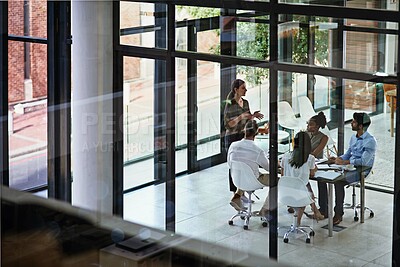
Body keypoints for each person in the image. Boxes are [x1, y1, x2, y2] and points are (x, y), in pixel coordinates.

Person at [318, 112, 377, 225]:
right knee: (321, 177)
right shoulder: (353, 138)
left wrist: (345, 162)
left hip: (362, 170)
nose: (351, 123)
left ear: (360, 126)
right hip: (349, 166)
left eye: (354, 121)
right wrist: (337, 159)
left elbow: (364, 162)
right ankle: (323, 210)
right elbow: (348, 154)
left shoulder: (370, 141)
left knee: (338, 182)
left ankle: (338, 214)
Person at [224, 79, 264, 202]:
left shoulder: (245, 102)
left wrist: (253, 116)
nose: (246, 90)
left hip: (243, 136)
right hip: (232, 137)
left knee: (245, 164)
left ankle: (242, 193)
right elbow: (228, 124)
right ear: (236, 90)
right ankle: (236, 194)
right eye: (243, 88)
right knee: (235, 166)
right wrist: (241, 116)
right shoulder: (230, 104)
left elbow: (247, 120)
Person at [280, 131, 325, 225]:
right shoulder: (310, 158)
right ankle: (298, 221)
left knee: (306, 188)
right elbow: (312, 173)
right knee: (306, 189)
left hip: (286, 191)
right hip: (300, 193)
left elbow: (282, 174)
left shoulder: (286, 156)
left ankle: (316, 212)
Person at [227, 120, 270, 213]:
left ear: (244, 131)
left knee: (244, 172)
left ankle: (237, 196)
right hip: (253, 180)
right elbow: (269, 168)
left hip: (237, 179)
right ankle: (265, 210)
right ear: (257, 132)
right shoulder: (257, 150)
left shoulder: (233, 145)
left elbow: (230, 164)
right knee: (276, 182)